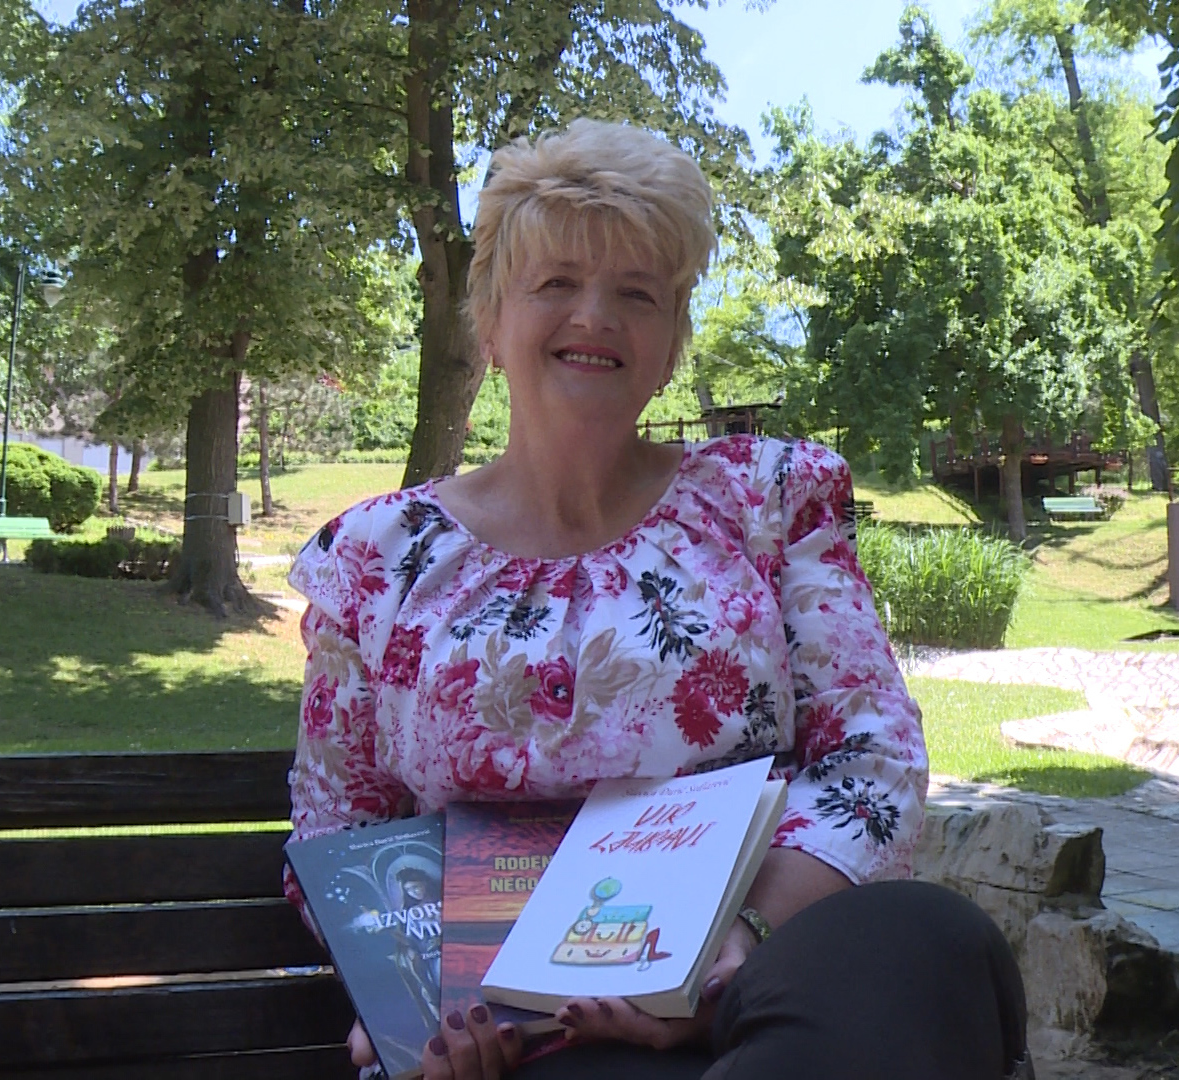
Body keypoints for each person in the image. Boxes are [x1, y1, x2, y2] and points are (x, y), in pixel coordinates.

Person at [286, 118, 1032, 1080]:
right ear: (491, 322)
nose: (595, 315)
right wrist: (403, 995)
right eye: (557, 282)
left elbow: (872, 757)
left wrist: (739, 942)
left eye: (636, 293)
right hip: (516, 1038)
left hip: (748, 990)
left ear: (672, 342)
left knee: (929, 938)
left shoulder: (768, 501)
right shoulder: (376, 559)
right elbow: (342, 828)